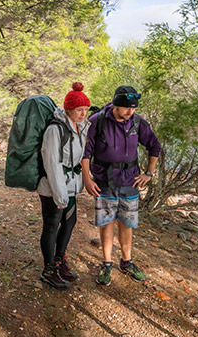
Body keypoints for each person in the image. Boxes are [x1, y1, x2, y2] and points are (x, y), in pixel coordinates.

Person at [81, 85, 161, 286]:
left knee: (126, 223)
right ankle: (106, 263)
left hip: (130, 181)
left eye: (133, 109)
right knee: (106, 223)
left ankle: (126, 261)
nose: (130, 112)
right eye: (126, 108)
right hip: (103, 182)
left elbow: (154, 146)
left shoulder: (137, 123)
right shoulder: (96, 122)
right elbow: (85, 153)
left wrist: (148, 173)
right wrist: (87, 179)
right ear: (116, 104)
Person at [36, 82, 90, 289]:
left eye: (85, 109)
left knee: (69, 223)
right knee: (51, 225)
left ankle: (59, 261)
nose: (83, 113)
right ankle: (48, 269)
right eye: (79, 110)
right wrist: (60, 196)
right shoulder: (55, 130)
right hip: (53, 188)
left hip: (69, 187)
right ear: (69, 109)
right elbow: (52, 164)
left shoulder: (80, 127)